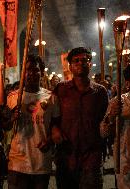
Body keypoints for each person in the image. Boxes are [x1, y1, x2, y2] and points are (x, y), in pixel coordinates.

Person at [52, 47, 108, 189]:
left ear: (90, 64)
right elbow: (52, 116)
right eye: (76, 61)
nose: (80, 63)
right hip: (66, 155)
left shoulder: (100, 92)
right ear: (70, 66)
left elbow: (105, 121)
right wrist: (54, 130)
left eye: (85, 60)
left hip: (92, 155)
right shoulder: (60, 89)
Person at [7, 54, 60, 189]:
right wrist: (12, 117)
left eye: (36, 70)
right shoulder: (13, 97)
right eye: (27, 70)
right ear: (22, 73)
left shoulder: (51, 98)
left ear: (41, 73)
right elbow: (5, 126)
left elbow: (56, 125)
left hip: (41, 162)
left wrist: (49, 140)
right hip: (17, 163)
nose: (31, 73)